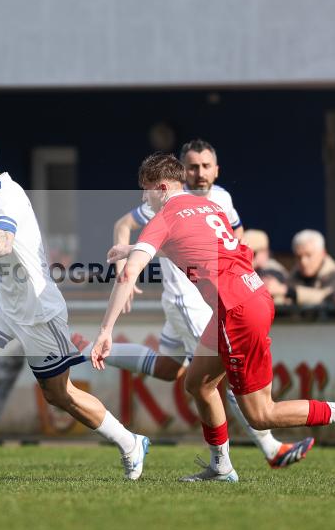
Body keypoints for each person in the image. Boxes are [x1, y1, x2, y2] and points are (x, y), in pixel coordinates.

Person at [91, 153, 335, 482]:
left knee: (262, 414)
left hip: (236, 309)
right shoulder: (209, 207)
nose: (144, 199)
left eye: (145, 191)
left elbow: (129, 275)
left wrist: (106, 330)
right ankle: (221, 466)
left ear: (161, 188)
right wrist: (132, 249)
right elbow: (193, 244)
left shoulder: (165, 217)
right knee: (198, 383)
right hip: (249, 296)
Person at [0, 129, 149, 479]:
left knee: (60, 395)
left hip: (38, 310)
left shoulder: (2, 196)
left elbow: (2, 244)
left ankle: (130, 442)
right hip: (6, 303)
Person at [73, 140, 314, 469]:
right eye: (192, 166)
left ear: (216, 169)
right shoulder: (166, 201)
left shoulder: (221, 200)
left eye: (205, 166)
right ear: (182, 172)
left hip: (214, 295)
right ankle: (268, 447)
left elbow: (234, 239)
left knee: (173, 369)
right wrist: (126, 263)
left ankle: (95, 348)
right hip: (187, 298)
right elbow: (125, 225)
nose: (199, 173)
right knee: (215, 378)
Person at [265, 229, 335, 306]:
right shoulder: (294, 274)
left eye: (308, 255)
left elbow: (327, 297)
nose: (303, 261)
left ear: (323, 253)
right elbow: (282, 301)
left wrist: (285, 290)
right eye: (299, 257)